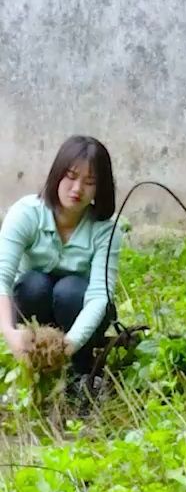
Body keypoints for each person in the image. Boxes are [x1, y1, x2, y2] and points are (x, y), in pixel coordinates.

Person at [0, 135, 123, 375]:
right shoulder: (26, 214)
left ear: (100, 188)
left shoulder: (106, 231)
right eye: (71, 176)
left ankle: (81, 370)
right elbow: (1, 278)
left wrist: (68, 346)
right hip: (35, 305)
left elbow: (100, 295)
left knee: (70, 290)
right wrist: (9, 332)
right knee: (32, 284)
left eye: (90, 181)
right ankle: (35, 356)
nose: (77, 189)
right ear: (57, 174)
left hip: (77, 312)